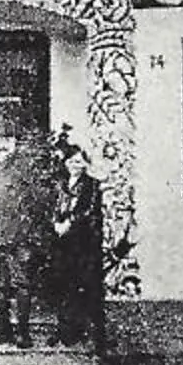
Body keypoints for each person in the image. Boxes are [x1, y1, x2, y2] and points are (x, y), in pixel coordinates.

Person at [0, 132, 51, 345]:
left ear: (15, 143)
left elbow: (37, 202)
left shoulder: (26, 168)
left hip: (18, 237)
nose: (3, 145)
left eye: (8, 140)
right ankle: (3, 329)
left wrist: (25, 232)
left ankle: (23, 332)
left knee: (21, 283)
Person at [49, 141, 106, 347]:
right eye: (71, 161)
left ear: (85, 164)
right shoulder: (59, 185)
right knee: (62, 286)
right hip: (61, 244)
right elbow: (51, 207)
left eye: (79, 162)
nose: (75, 165)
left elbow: (89, 211)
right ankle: (63, 330)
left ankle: (83, 333)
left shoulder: (92, 185)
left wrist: (69, 223)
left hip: (82, 244)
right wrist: (55, 223)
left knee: (83, 286)